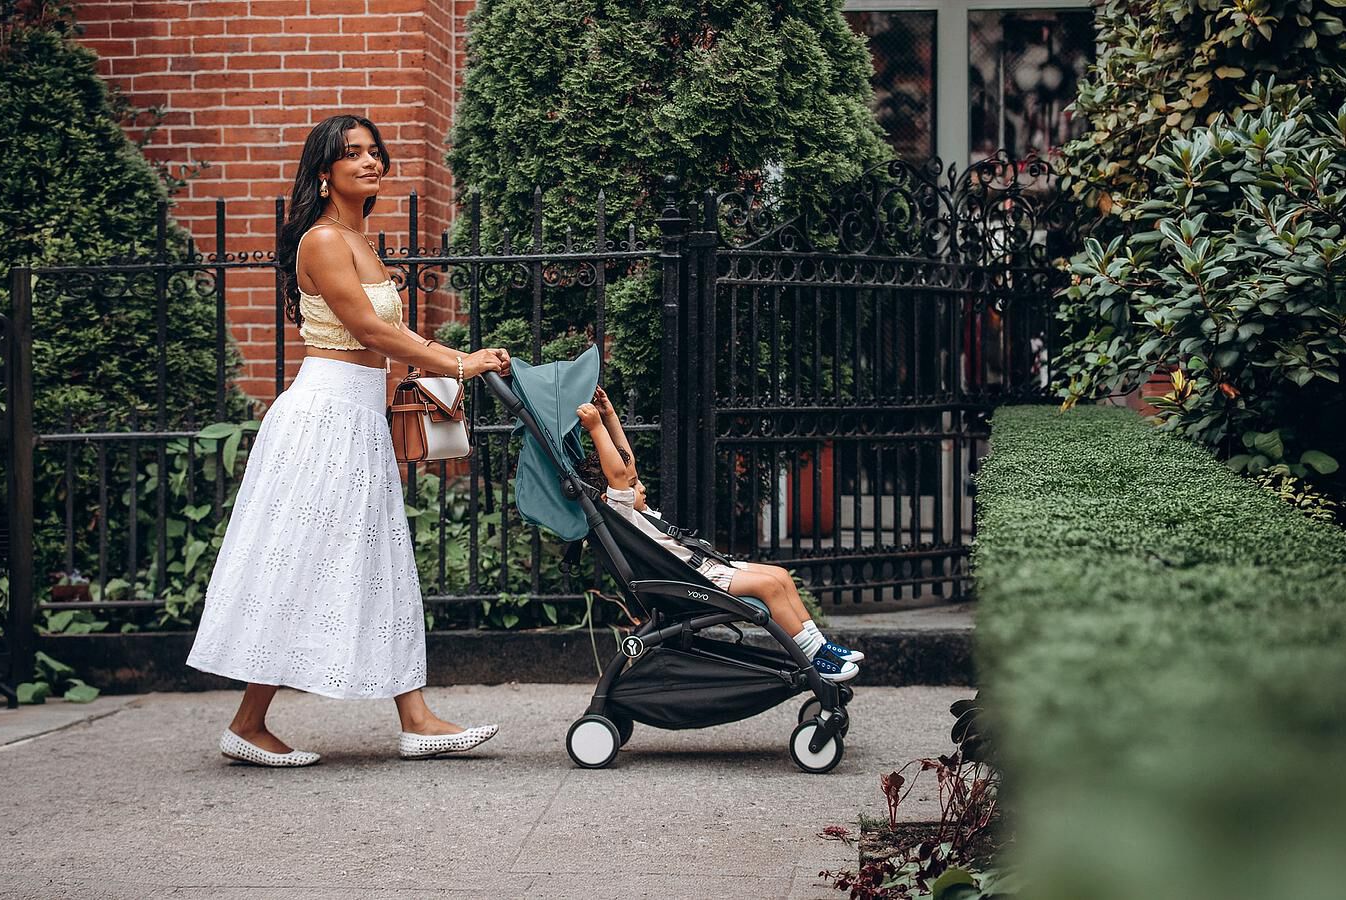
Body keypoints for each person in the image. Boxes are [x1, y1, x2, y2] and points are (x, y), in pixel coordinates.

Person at [186, 114, 512, 766]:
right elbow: (370, 331)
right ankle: (248, 724)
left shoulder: (359, 240)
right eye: (353, 153)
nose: (370, 162)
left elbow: (388, 339)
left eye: (374, 152)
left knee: (381, 560)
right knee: (300, 560)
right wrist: (459, 362)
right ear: (324, 172)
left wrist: (436, 369)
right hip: (324, 420)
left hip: (358, 419)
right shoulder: (324, 241)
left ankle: (416, 718)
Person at [575, 388, 864, 681]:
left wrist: (611, 417)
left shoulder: (636, 513)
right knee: (770, 587)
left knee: (780, 576)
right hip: (696, 580)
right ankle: (813, 658)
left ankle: (819, 645)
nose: (641, 487)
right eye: (633, 486)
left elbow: (626, 464)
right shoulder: (620, 513)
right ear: (610, 496)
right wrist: (597, 428)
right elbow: (618, 474)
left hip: (705, 567)